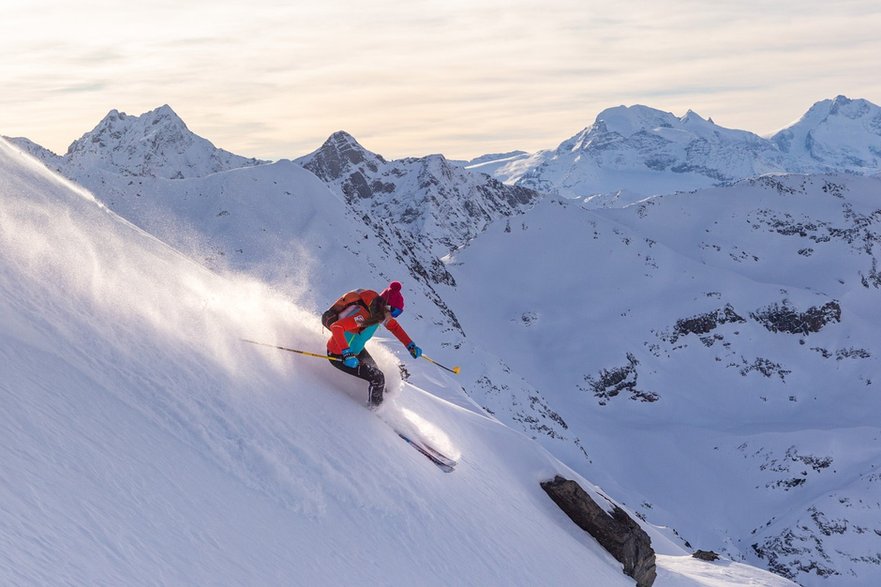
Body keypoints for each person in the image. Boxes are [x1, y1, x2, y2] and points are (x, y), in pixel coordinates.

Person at [325, 281, 422, 407]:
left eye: (397, 313)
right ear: (385, 306)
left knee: (378, 374)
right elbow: (336, 327)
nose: (393, 316)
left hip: (356, 351)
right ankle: (374, 413)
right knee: (378, 378)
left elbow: (395, 327)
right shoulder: (362, 316)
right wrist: (346, 353)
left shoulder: (379, 314)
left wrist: (410, 345)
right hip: (339, 354)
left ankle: (382, 403)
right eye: (394, 312)